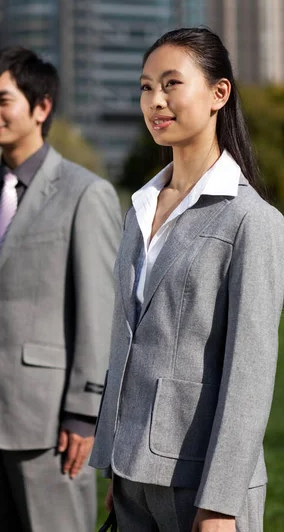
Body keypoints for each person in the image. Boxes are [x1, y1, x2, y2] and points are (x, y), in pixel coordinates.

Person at [90, 28, 284, 532]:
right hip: (132, 476)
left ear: (219, 93)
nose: (156, 101)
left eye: (172, 84)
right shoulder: (138, 208)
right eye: (145, 87)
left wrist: (221, 503)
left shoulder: (252, 221)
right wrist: (117, 459)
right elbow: (126, 343)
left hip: (202, 487)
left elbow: (250, 376)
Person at [0, 46, 122, 532]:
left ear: (41, 107)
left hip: (52, 428)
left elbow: (98, 313)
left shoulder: (87, 193)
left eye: (2, 99)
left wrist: (85, 413)